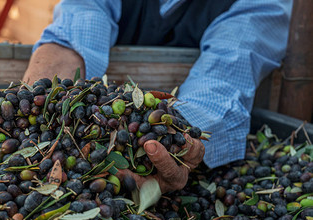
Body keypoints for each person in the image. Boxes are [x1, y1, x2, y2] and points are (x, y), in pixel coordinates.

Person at [21, 0, 293, 193]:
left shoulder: (263, 4)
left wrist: (172, 140)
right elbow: (78, 25)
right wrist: (38, 102)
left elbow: (224, 76)